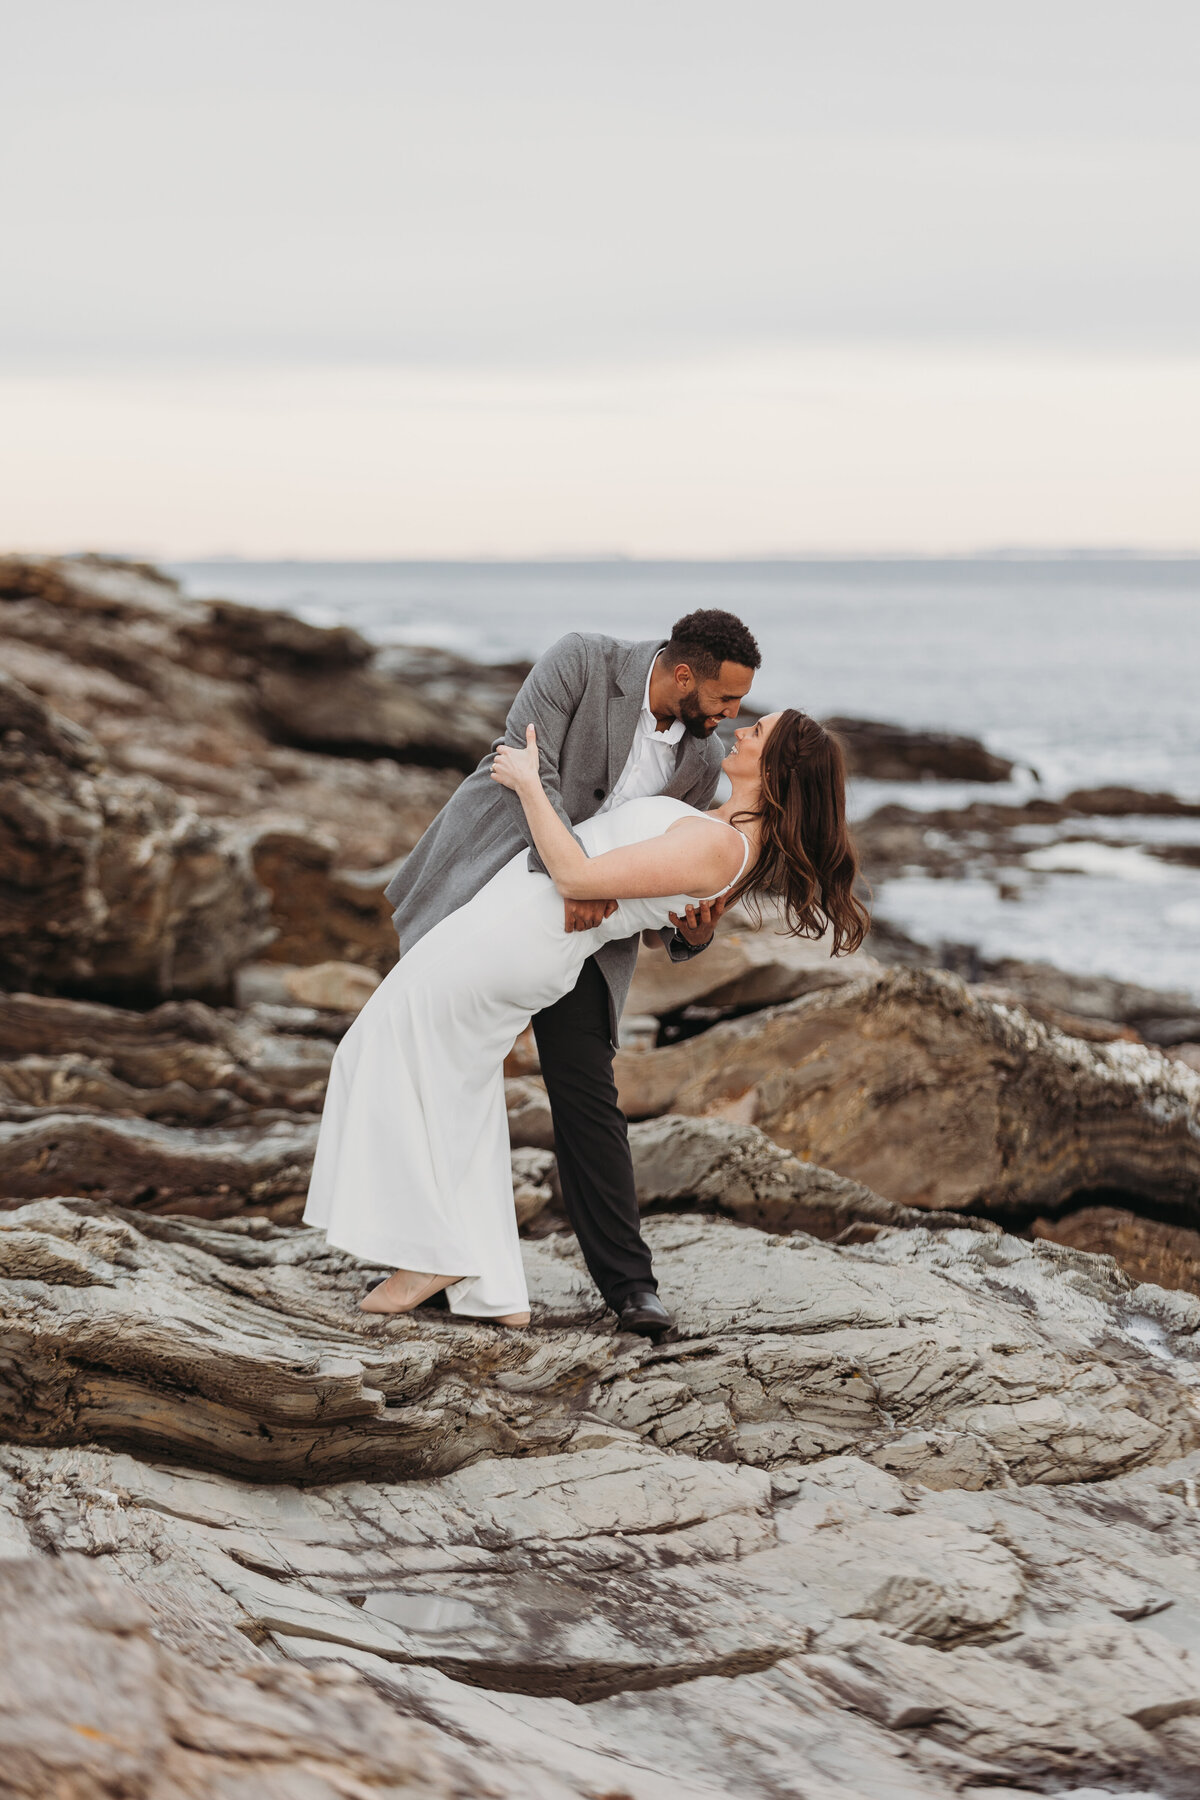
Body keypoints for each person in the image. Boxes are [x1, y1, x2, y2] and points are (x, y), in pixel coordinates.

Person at [302, 695, 869, 1336]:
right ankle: (491, 1282)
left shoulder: (722, 848)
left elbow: (576, 878)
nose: (739, 731)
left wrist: (526, 783)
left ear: (777, 774)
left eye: (757, 732)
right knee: (457, 1086)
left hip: (524, 933)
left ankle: (432, 1254)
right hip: (519, 924)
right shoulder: (721, 826)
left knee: (370, 1049)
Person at [363, 609, 762, 1338]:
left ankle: (632, 1288)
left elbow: (666, 864)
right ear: (683, 675)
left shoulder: (702, 762)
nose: (733, 717)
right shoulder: (582, 660)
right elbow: (522, 757)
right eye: (725, 700)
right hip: (491, 885)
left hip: (587, 942)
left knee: (587, 1100)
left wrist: (690, 935)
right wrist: (573, 878)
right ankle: (437, 1255)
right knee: (442, 1067)